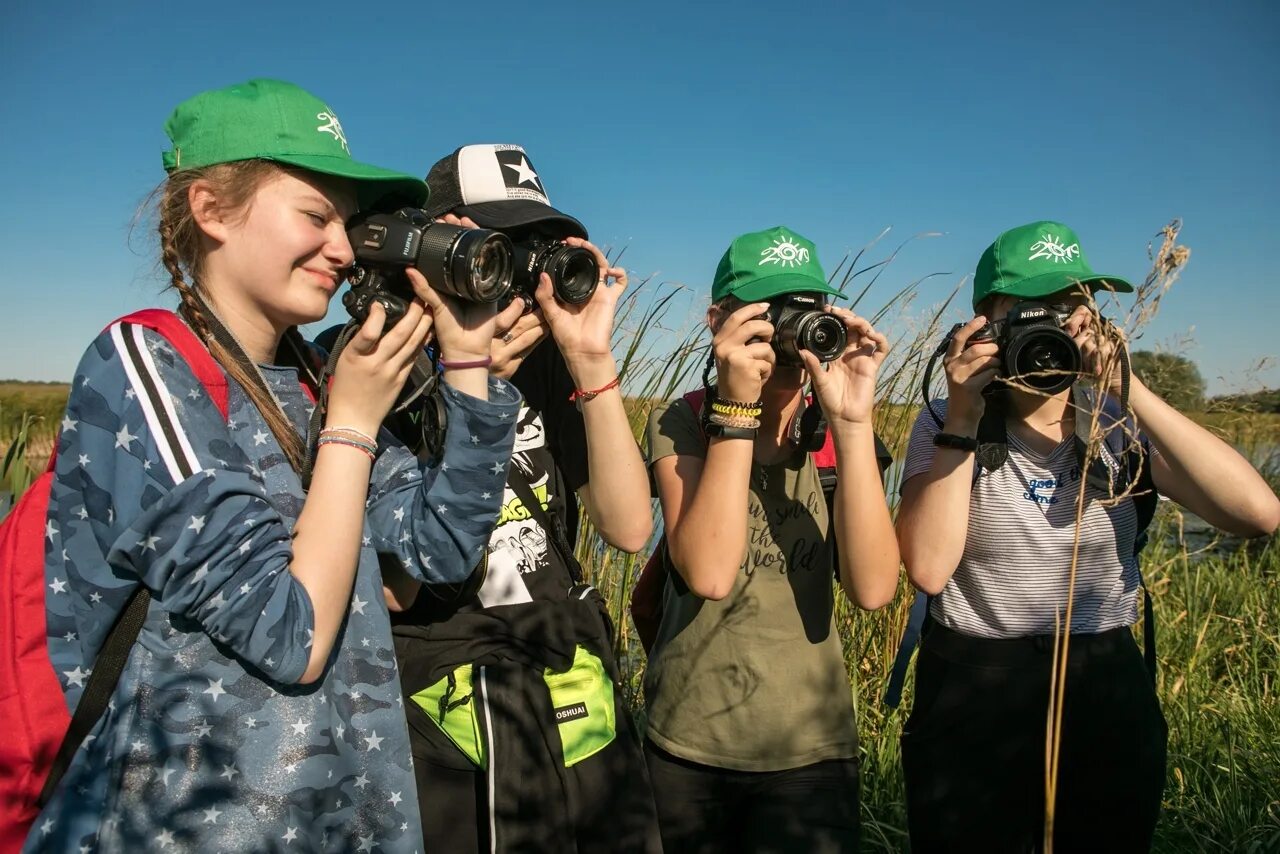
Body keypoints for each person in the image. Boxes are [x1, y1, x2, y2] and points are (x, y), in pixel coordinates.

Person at [30, 79, 521, 852]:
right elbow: (288, 634)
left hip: (342, 817)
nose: (342, 247)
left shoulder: (315, 381)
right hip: (181, 826)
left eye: (350, 225)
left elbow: (442, 550)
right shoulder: (146, 365)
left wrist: (465, 361)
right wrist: (354, 426)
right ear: (211, 210)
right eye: (316, 215)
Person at [895, 220, 1280, 852]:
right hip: (977, 684)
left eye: (1075, 309)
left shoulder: (1119, 421)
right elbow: (930, 571)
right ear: (987, 320)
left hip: (1105, 677)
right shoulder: (944, 420)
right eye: (1034, 312)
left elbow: (1257, 513)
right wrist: (963, 413)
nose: (1056, 328)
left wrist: (1130, 389)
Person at [376, 145, 661, 852]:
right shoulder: (379, 360)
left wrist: (591, 360)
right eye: (500, 247)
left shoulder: (548, 368)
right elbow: (397, 590)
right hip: (445, 717)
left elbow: (629, 527)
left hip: (563, 685)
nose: (518, 276)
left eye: (538, 248)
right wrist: (461, 388)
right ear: (442, 242)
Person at [644, 226, 901, 853]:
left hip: (810, 748)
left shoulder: (840, 436)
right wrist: (736, 408)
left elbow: (873, 589)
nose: (790, 331)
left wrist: (852, 421)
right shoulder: (681, 422)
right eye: (769, 311)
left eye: (806, 311)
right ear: (718, 321)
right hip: (688, 740)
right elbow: (707, 572)